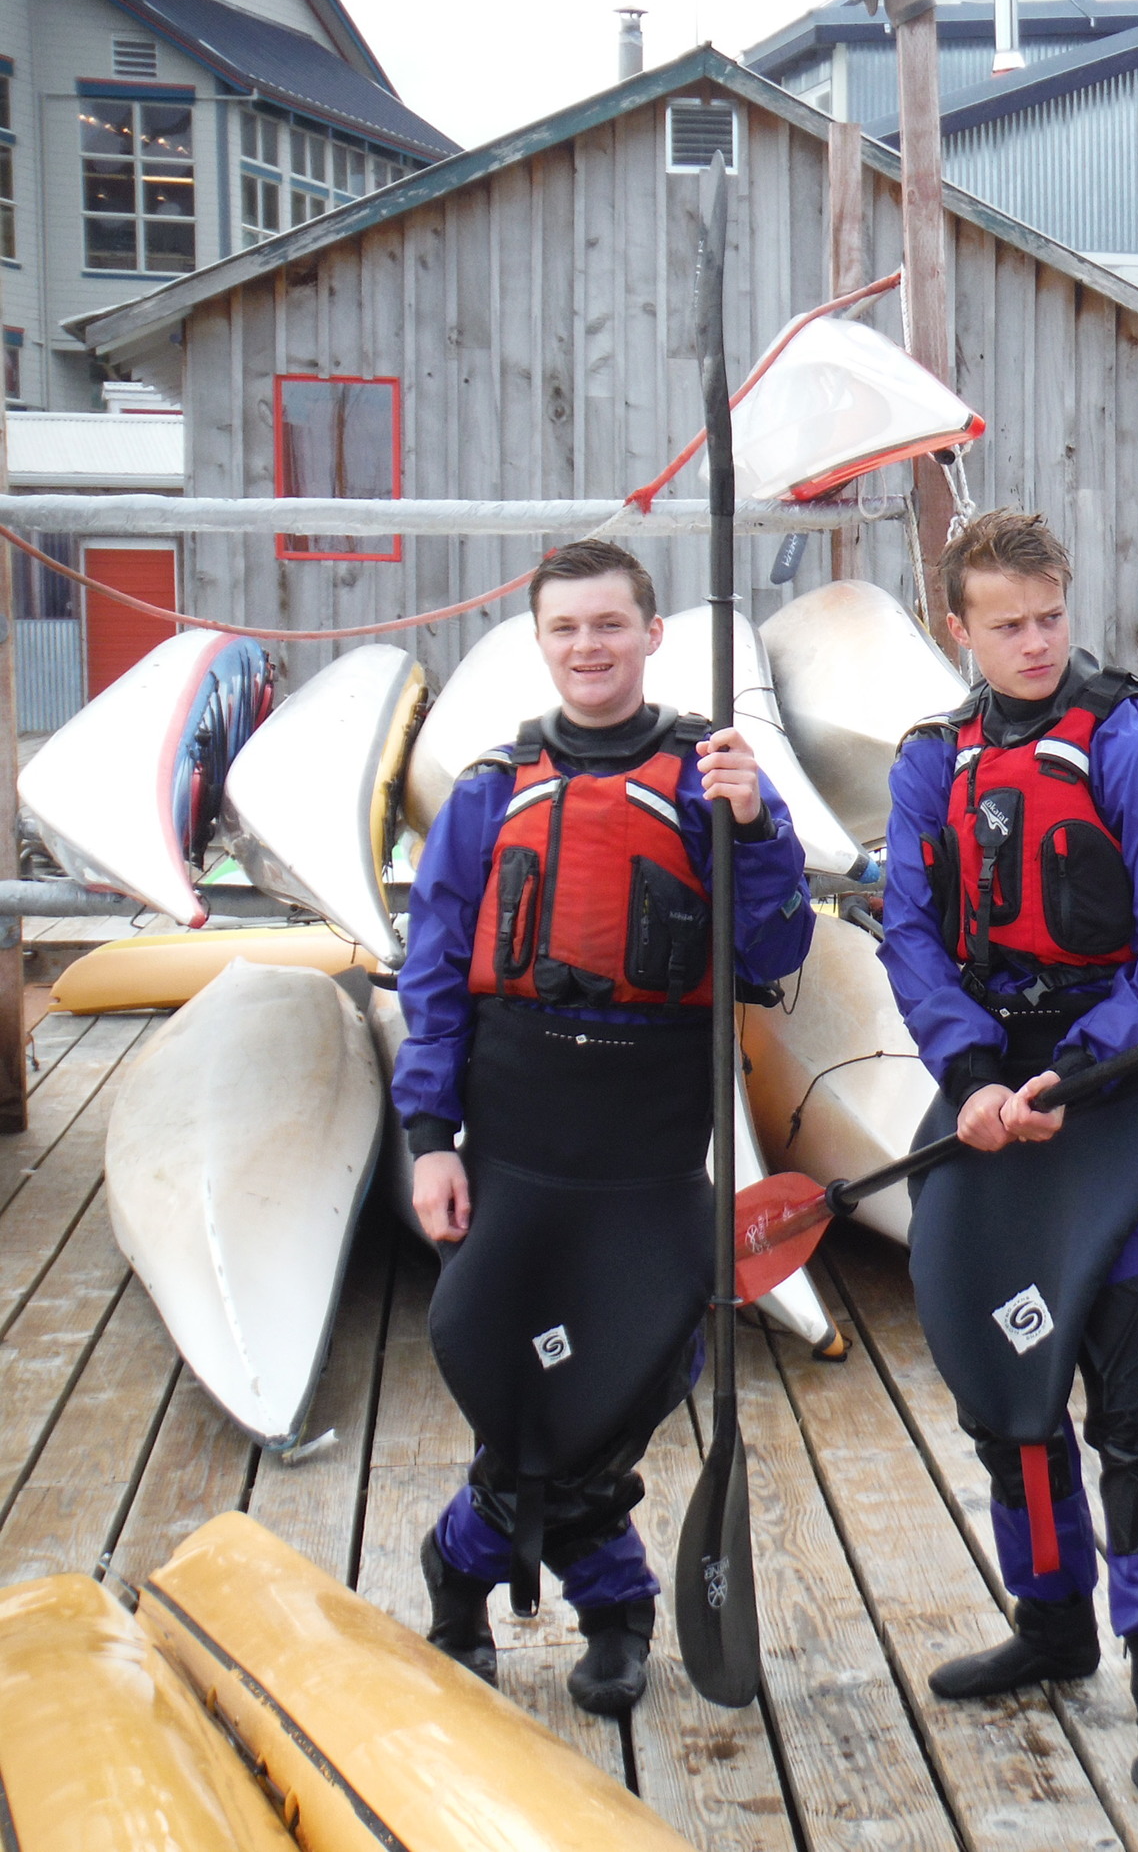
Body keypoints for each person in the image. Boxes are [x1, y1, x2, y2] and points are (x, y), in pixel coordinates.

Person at [395, 538, 811, 1717]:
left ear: (651, 635)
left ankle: (466, 1569)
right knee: (500, 1365)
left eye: (609, 625)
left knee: (627, 1381)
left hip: (650, 1145)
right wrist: (430, 1137)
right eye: (566, 628)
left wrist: (762, 831)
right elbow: (431, 976)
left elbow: (773, 956)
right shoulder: (489, 791)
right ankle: (614, 1604)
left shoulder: (712, 775)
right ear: (542, 642)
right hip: (522, 1136)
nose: (589, 647)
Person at [879, 510, 1138, 1798]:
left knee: (1131, 1414)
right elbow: (910, 935)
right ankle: (1050, 1621)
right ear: (956, 627)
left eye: (1048, 618)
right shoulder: (931, 763)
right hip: (984, 1100)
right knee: (1001, 1392)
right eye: (1003, 624)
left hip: (1105, 1100)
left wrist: (1072, 1074)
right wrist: (969, 1074)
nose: (1031, 644)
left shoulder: (1135, 748)